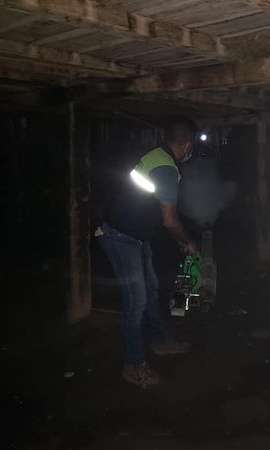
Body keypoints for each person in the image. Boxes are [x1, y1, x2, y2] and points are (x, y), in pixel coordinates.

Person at [96, 115, 198, 388]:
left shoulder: (157, 155)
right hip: (121, 236)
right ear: (188, 145)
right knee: (136, 300)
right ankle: (134, 365)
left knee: (151, 290)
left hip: (136, 236)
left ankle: (161, 341)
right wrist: (186, 240)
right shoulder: (166, 168)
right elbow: (169, 220)